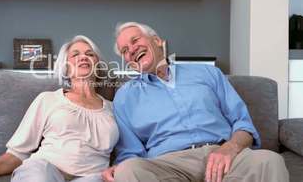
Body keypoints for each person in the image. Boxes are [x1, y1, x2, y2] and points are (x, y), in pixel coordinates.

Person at [102, 22, 289, 182]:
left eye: (135, 40)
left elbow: (243, 125)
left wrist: (229, 148)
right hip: (168, 165)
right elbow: (130, 151)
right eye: (124, 51)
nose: (132, 50)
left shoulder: (207, 73)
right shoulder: (125, 97)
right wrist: (119, 168)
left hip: (223, 155)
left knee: (270, 161)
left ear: (157, 41)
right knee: (128, 171)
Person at [0, 35, 119, 182]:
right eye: (75, 54)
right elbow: (17, 154)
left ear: (98, 65)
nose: (84, 57)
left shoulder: (114, 108)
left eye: (90, 54)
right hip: (45, 171)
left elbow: (130, 152)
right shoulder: (48, 99)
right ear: (66, 68)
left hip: (92, 177)